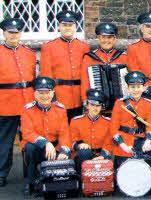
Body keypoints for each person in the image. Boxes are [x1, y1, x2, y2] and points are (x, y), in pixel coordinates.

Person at [20, 77, 71, 195]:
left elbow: (64, 132)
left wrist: (64, 150)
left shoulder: (61, 109)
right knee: (29, 147)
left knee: (66, 156)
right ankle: (31, 181)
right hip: (37, 149)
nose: (44, 96)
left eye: (47, 92)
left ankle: (55, 182)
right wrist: (46, 143)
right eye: (40, 93)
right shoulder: (27, 110)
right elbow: (27, 132)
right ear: (34, 94)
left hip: (55, 148)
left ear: (53, 93)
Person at [0, 18, 35, 187]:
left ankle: (30, 174)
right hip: (5, 103)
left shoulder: (28, 53)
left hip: (27, 102)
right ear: (4, 33)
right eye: (10, 32)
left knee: (28, 141)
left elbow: (33, 78)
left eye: (17, 32)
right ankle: (1, 173)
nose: (14, 35)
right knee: (4, 142)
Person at [40, 10, 90, 120]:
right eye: (64, 25)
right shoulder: (49, 47)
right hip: (59, 95)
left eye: (71, 25)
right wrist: (51, 97)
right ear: (59, 26)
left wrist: (85, 97)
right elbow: (46, 74)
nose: (67, 28)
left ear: (75, 26)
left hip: (77, 96)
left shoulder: (84, 47)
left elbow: (86, 74)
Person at [110, 71, 151, 168]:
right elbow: (113, 128)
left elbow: (150, 126)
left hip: (141, 139)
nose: (136, 90)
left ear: (143, 88)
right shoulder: (119, 103)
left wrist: (148, 141)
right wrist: (123, 146)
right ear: (128, 89)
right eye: (132, 87)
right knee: (125, 169)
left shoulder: (149, 104)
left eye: (138, 87)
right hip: (124, 141)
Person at [80, 22, 128, 112]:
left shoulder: (123, 57)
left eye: (109, 37)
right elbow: (85, 81)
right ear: (98, 38)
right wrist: (85, 99)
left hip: (119, 105)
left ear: (114, 39)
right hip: (96, 105)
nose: (106, 41)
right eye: (103, 37)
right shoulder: (89, 57)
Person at [70, 89, 113, 173]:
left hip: (101, 155)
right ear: (87, 105)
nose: (95, 108)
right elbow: (72, 139)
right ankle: (80, 180)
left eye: (98, 106)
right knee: (83, 153)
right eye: (92, 105)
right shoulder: (76, 121)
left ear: (101, 107)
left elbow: (109, 142)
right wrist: (79, 145)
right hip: (83, 157)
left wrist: (103, 155)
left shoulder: (108, 122)